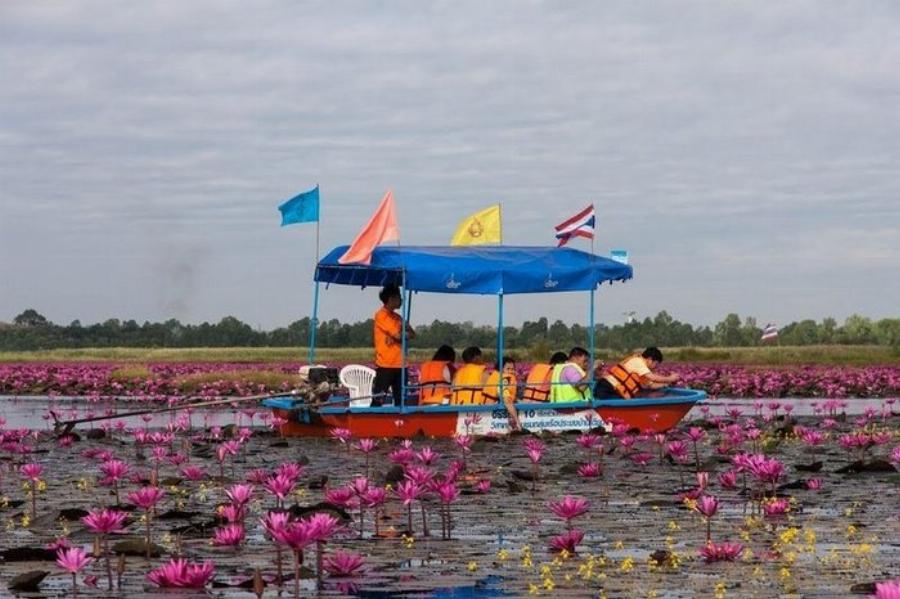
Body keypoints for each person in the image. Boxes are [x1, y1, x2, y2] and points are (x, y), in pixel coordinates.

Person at [372, 284, 415, 406]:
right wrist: (402, 336)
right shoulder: (381, 315)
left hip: (401, 365)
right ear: (391, 299)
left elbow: (412, 334)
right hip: (386, 364)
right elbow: (397, 336)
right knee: (378, 399)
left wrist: (404, 334)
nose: (401, 300)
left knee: (401, 400)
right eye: (399, 297)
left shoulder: (398, 318)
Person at [594, 347, 680, 399]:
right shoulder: (638, 361)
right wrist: (670, 378)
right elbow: (652, 378)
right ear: (650, 360)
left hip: (615, 390)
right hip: (607, 387)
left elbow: (652, 385)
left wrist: (667, 384)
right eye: (656, 364)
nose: (656, 367)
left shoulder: (643, 371)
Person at [484, 357, 521, 430]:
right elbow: (507, 400)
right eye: (508, 369)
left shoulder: (494, 375)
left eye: (513, 369)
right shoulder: (506, 378)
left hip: (484, 407)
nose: (511, 371)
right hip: (491, 411)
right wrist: (517, 421)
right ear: (501, 368)